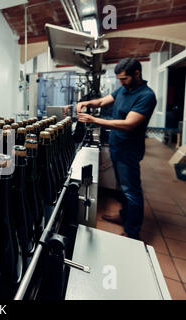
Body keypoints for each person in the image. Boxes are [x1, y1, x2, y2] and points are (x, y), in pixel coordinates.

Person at [76, 58, 157, 240]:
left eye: (124, 79)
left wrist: (94, 120)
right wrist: (87, 104)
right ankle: (124, 215)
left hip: (129, 150)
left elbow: (129, 124)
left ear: (137, 74)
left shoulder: (146, 95)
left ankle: (132, 231)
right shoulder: (123, 89)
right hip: (116, 146)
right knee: (121, 188)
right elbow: (103, 101)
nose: (121, 82)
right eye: (119, 79)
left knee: (131, 190)